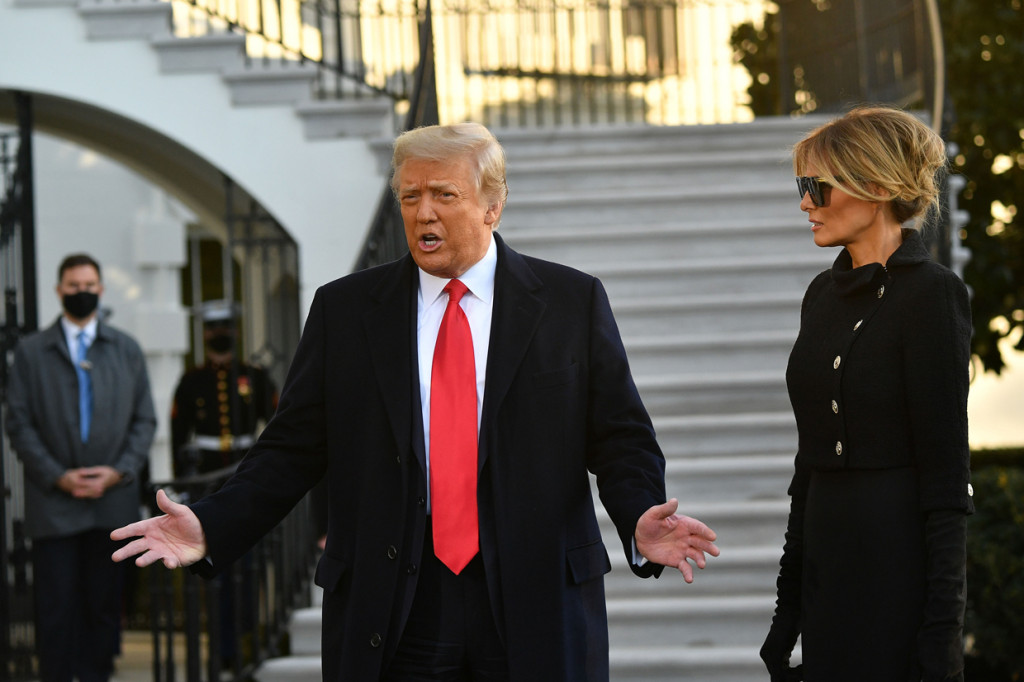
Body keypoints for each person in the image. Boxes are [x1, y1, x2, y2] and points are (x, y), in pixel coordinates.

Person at [111, 122, 720, 681]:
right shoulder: (345, 311)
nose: (423, 212)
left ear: (492, 206)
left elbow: (620, 436)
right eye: (409, 197)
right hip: (394, 602)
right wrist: (212, 523)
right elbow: (292, 448)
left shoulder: (570, 302)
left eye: (444, 195)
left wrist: (638, 509)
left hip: (534, 595)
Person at [760, 106, 973, 682]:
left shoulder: (932, 296)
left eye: (816, 187)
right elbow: (808, 468)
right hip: (829, 572)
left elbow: (947, 481)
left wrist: (941, 636)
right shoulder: (820, 296)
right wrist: (788, 612)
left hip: (895, 571)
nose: (805, 202)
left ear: (874, 186)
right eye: (802, 187)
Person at [5, 253, 157, 682]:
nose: (81, 292)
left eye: (89, 284)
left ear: (101, 289)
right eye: (72, 286)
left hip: (112, 505)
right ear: (58, 291)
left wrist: (118, 471)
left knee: (103, 607)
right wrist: (58, 475)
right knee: (55, 609)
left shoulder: (126, 349)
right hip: (55, 506)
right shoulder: (32, 352)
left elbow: (144, 420)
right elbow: (18, 421)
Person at [170, 299, 278, 483]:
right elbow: (179, 430)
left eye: (226, 326)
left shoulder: (255, 376)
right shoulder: (191, 379)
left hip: (247, 463)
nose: (219, 332)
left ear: (236, 332)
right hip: (205, 467)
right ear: (205, 333)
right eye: (213, 327)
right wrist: (181, 473)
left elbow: (276, 421)